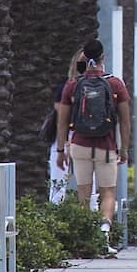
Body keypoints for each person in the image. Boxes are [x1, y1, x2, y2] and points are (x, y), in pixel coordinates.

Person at [55, 39, 131, 254]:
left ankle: (84, 239)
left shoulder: (73, 84)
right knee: (107, 192)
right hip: (106, 147)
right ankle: (104, 232)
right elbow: (125, 120)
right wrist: (124, 148)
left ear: (83, 58)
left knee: (84, 193)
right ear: (103, 58)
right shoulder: (115, 84)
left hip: (79, 145)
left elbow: (62, 120)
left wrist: (61, 149)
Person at [48, 50, 87, 204]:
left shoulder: (65, 87)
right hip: (77, 137)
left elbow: (61, 117)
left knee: (60, 185)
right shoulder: (67, 86)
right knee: (60, 184)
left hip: (78, 138)